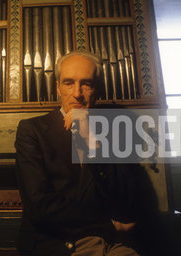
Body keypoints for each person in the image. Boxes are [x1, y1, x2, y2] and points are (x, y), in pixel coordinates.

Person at [15, 50, 149, 256]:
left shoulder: (115, 132)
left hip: (114, 244)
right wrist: (108, 224)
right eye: (69, 83)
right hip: (59, 242)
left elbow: (126, 203)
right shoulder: (31, 130)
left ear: (97, 89)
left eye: (86, 84)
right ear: (58, 88)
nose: (77, 93)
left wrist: (91, 140)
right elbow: (40, 207)